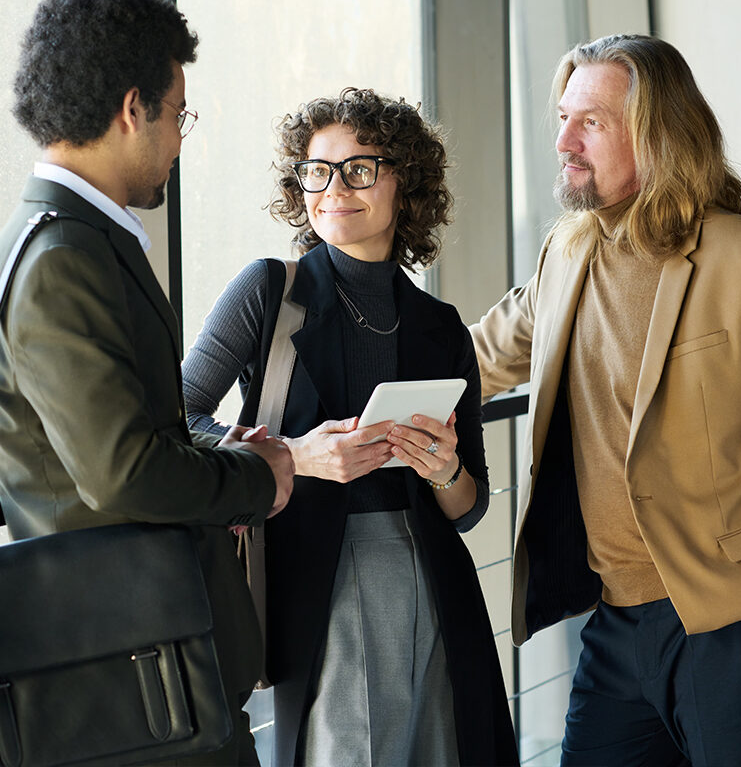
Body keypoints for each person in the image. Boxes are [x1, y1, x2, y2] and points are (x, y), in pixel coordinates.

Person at [470, 33, 741, 766]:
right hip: (615, 626)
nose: (562, 140)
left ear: (657, 135)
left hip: (737, 623)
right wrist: (326, 402)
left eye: (590, 122)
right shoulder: (567, 251)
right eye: (562, 117)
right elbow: (478, 356)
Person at [0, 0, 294, 766]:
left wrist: (215, 454)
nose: (178, 139)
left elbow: (130, 435)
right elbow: (123, 472)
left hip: (156, 668)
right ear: (134, 109)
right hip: (132, 685)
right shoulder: (61, 258)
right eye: (178, 114)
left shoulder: (80, 240)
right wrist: (259, 477)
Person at [183, 87, 519, 767]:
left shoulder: (441, 326)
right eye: (318, 171)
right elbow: (171, 418)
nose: (334, 189)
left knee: (448, 748)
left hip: (434, 580)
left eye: (359, 169)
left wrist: (443, 469)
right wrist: (293, 458)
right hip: (315, 576)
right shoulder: (267, 292)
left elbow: (469, 505)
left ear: (406, 184)